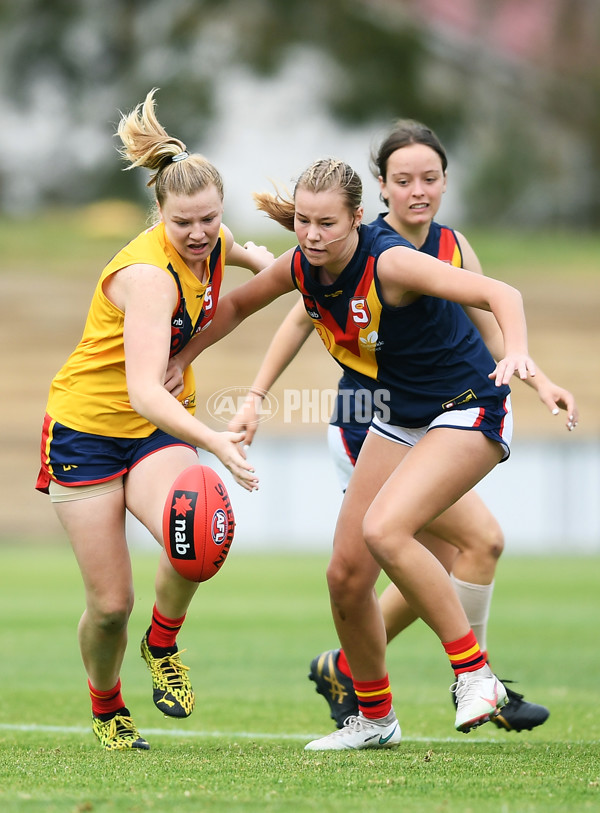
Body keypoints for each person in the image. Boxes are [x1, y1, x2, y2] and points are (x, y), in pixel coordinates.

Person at [164, 155, 551, 750]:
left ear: (358, 219)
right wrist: (184, 357)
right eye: (304, 223)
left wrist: (519, 353)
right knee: (345, 577)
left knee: (387, 530)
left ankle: (477, 677)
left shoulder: (391, 262)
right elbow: (238, 306)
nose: (313, 236)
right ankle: (374, 720)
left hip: (469, 405)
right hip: (399, 416)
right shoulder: (301, 266)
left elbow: (503, 293)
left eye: (328, 225)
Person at [35, 88, 272, 751]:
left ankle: (162, 644)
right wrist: (218, 442)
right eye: (183, 223)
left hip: (153, 432)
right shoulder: (149, 278)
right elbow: (143, 389)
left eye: (209, 220)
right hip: (86, 431)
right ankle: (107, 705)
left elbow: (256, 285)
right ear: (158, 212)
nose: (199, 235)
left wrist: (282, 264)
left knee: (197, 536)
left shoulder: (213, 241)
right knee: (110, 605)